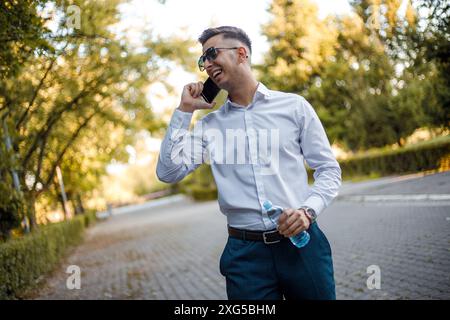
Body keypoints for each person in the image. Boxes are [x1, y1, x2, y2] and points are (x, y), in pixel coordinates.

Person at [156, 26, 342, 300]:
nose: (206, 64)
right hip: (245, 257)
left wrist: (308, 211)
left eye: (211, 54)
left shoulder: (294, 107)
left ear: (241, 53)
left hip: (302, 245)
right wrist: (185, 111)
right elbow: (168, 172)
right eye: (202, 60)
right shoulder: (209, 127)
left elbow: (328, 170)